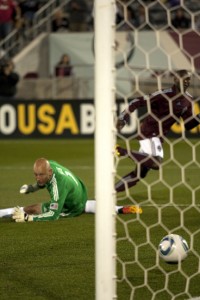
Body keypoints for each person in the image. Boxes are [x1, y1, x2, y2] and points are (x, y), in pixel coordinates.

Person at [115, 70, 200, 193]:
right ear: (175, 80)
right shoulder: (164, 94)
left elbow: (188, 125)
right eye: (183, 79)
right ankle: (120, 151)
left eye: (188, 80)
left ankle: (108, 193)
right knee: (156, 163)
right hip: (150, 131)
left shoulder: (188, 100)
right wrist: (123, 117)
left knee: (139, 174)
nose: (186, 82)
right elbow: (137, 101)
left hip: (159, 137)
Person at [0, 158, 142, 222]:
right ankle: (120, 209)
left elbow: (53, 215)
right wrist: (32, 188)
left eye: (40, 175)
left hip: (72, 206)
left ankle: (3, 213)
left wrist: (29, 218)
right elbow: (42, 182)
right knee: (87, 205)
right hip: (80, 193)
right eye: (35, 175)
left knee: (31, 209)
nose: (38, 178)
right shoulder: (51, 166)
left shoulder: (58, 186)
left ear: (49, 172)